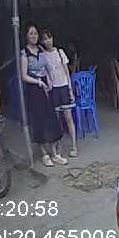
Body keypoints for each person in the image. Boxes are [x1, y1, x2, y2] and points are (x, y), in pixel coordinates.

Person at [19, 24, 66, 167]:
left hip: (45, 86)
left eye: (35, 33)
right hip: (34, 88)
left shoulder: (41, 49)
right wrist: (38, 82)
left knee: (52, 119)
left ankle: (55, 153)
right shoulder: (24, 53)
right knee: (39, 120)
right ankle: (44, 153)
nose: (34, 36)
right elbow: (23, 76)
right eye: (31, 33)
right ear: (26, 36)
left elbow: (46, 67)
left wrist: (49, 80)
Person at [40, 30, 78, 159]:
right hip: (54, 90)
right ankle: (58, 147)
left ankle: (74, 146)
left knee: (68, 118)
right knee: (57, 121)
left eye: (49, 38)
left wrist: (70, 89)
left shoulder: (60, 52)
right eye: (45, 39)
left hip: (64, 87)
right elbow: (45, 73)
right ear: (42, 41)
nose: (47, 41)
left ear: (52, 38)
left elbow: (67, 72)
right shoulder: (43, 56)